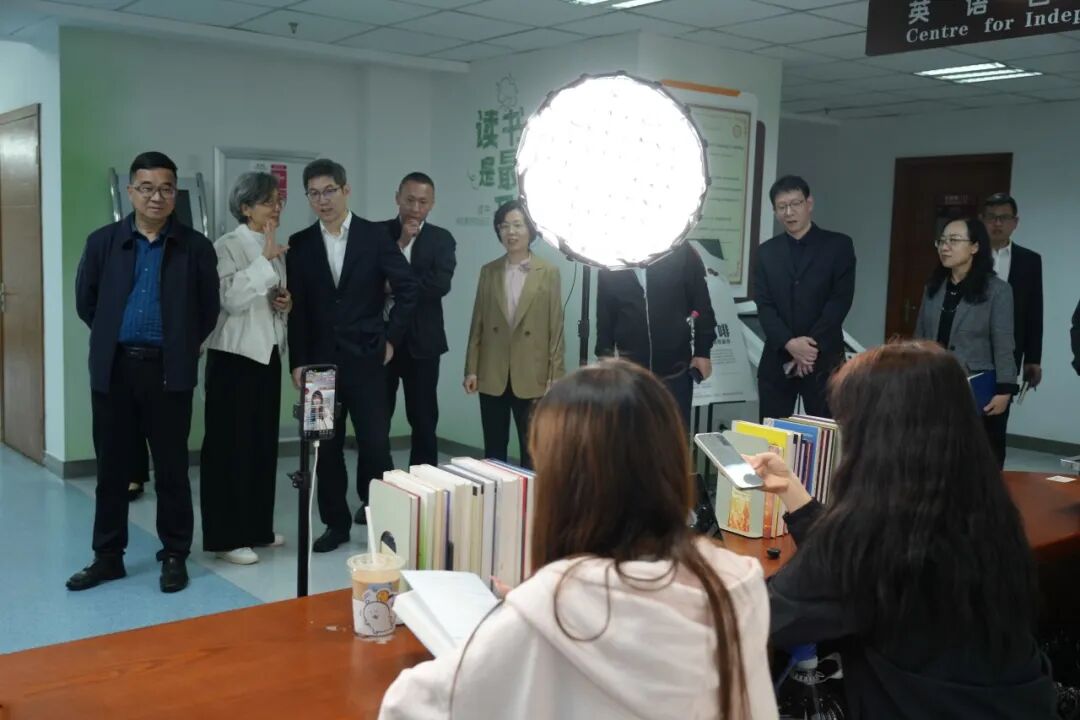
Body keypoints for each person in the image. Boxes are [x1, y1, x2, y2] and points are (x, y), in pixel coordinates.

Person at [380, 360, 778, 719]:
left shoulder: (551, 610)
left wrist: (515, 621)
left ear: (563, 487)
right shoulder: (738, 584)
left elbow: (406, 706)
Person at [750, 341, 1056, 718]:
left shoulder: (872, 534)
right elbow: (846, 576)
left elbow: (762, 616)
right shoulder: (983, 511)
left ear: (877, 440)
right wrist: (795, 495)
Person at [69, 151, 219, 593]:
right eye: (147, 188)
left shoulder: (195, 247)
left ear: (176, 193)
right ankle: (107, 557)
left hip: (168, 371)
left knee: (172, 469)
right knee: (112, 469)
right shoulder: (103, 242)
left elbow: (207, 310)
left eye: (166, 188)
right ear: (131, 191)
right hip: (114, 369)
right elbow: (87, 302)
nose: (157, 197)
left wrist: (181, 345)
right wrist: (114, 335)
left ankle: (174, 554)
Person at [287, 159, 418, 552]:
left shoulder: (374, 236)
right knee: (324, 447)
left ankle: (379, 517)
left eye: (329, 191)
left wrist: (391, 339)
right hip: (318, 366)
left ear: (345, 190)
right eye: (314, 193)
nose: (322, 200)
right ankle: (335, 523)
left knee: (375, 444)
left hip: (367, 358)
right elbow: (298, 309)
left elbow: (408, 289)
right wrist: (298, 361)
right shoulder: (300, 243)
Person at [199, 172, 290, 566]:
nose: (276, 208)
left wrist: (285, 303)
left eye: (278, 201)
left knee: (262, 445)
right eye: (268, 202)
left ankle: (256, 528)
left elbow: (269, 299)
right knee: (229, 449)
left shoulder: (275, 247)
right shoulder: (225, 246)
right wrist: (265, 261)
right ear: (245, 207)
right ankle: (226, 537)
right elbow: (231, 299)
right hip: (232, 359)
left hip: (267, 356)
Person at [464, 201, 565, 468]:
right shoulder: (489, 271)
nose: (511, 232)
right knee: (493, 450)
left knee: (532, 450)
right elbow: (478, 324)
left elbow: (556, 329)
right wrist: (471, 369)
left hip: (533, 374)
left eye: (518, 225)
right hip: (493, 371)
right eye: (504, 226)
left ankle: (531, 496)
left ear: (530, 230)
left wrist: (555, 376)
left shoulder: (548, 272)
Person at [914, 218, 1016, 468]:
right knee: (935, 456)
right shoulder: (934, 288)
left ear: (975, 247)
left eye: (954, 240)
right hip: (935, 384)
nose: (945, 247)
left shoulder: (997, 291)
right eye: (941, 241)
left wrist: (1005, 391)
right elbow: (920, 337)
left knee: (977, 460)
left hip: (976, 388)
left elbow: (1003, 343)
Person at [754, 175, 855, 421]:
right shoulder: (766, 252)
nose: (789, 212)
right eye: (782, 207)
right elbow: (765, 306)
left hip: (824, 359)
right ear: (775, 211)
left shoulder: (838, 246)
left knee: (826, 436)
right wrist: (790, 344)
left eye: (795, 203)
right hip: (778, 359)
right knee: (772, 434)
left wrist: (808, 349)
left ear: (809, 203)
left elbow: (839, 301)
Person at [594, 242, 715, 431]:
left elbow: (701, 303)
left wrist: (703, 351)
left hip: (676, 371)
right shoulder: (610, 261)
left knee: (674, 437)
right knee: (632, 440)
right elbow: (605, 318)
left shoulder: (680, 251)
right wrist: (604, 360)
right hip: (630, 373)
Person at [382, 172, 457, 467]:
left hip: (424, 342)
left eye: (423, 202)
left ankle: (424, 485)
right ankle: (378, 483)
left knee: (424, 419)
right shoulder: (378, 233)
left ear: (432, 203)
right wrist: (401, 244)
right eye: (410, 200)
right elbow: (368, 281)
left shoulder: (442, 239)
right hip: (381, 339)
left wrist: (392, 285)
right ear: (397, 198)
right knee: (377, 418)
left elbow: (440, 285)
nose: (415, 208)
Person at [983, 193, 1043, 389]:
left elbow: (1034, 312)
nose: (997, 223)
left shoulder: (1030, 260)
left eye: (1004, 218)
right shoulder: (969, 256)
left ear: (1015, 222)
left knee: (1000, 405)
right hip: (970, 351)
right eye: (991, 217)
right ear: (982, 220)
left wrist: (1033, 358)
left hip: (1010, 351)